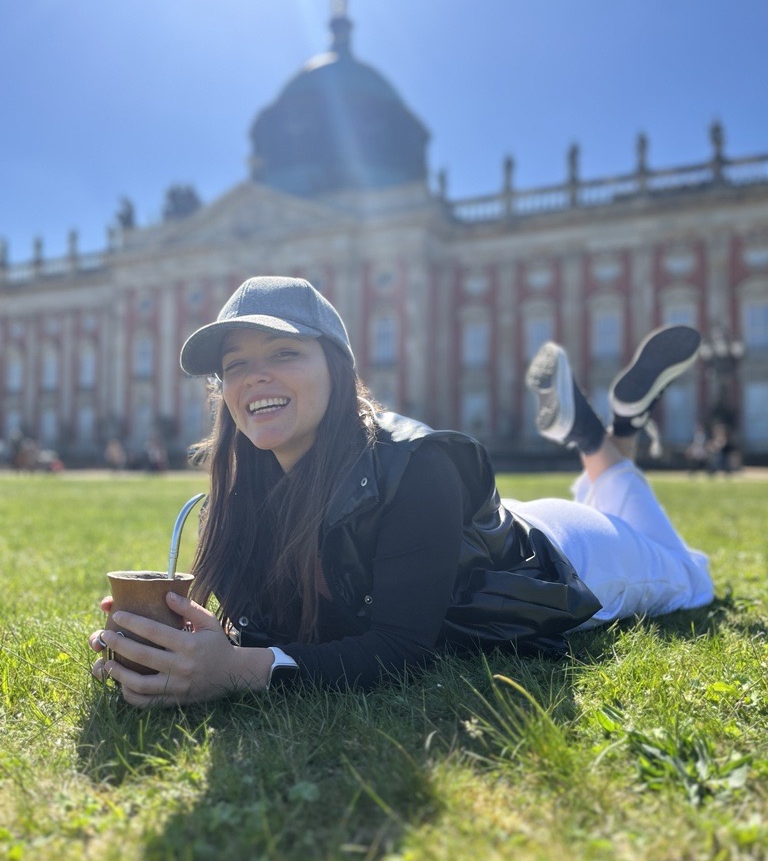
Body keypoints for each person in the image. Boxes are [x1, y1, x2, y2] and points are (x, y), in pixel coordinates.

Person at [89, 278, 713, 706]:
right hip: (447, 537)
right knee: (614, 490)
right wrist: (172, 644)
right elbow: (268, 629)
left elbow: (400, 649)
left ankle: (603, 436)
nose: (256, 377)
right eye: (235, 366)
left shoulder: (417, 463)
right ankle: (611, 432)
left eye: (284, 352)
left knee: (690, 574)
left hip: (564, 558)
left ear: (337, 368)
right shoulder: (245, 487)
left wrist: (234, 673)